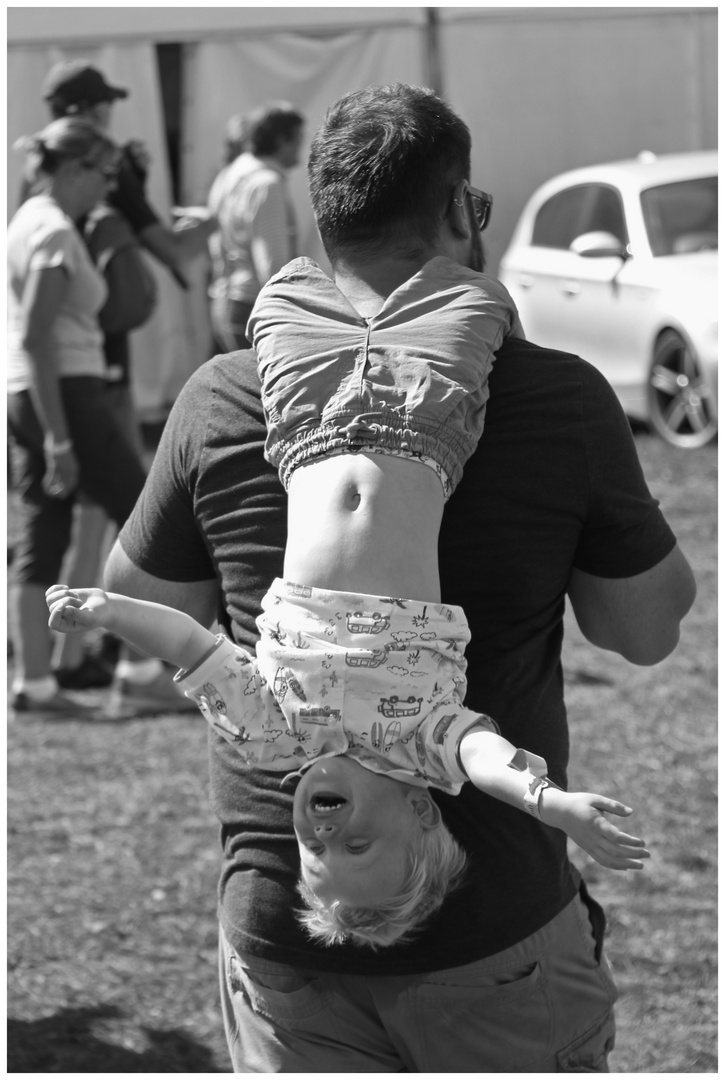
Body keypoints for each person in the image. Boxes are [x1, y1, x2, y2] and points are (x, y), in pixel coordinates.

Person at [103, 84, 696, 1071]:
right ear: (461, 208)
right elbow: (643, 630)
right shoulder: (552, 396)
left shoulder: (219, 398)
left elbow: (153, 605)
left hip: (282, 923)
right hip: (490, 928)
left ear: (321, 223)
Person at [46, 579, 649, 944]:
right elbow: (485, 758)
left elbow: (190, 646)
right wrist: (552, 804)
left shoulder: (270, 738)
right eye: (356, 848)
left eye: (315, 853)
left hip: (307, 450)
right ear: (420, 807)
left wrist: (113, 612)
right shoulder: (420, 746)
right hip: (412, 443)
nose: (326, 836)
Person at [38, 59, 213, 708]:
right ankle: (136, 671)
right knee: (138, 521)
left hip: (61, 368)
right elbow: (172, 254)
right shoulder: (109, 167)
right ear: (91, 108)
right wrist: (209, 226)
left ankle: (69, 654)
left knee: (77, 521)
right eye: (105, 103)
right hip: (96, 365)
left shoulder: (50, 175)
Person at [7, 117, 147, 714]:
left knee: (44, 532)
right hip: (63, 392)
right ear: (73, 169)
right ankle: (143, 671)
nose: (108, 187)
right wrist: (61, 437)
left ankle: (36, 684)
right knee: (147, 519)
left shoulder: (26, 222)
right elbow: (39, 336)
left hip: (32, 393)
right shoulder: (56, 230)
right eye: (104, 173)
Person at [206, 103, 305, 352]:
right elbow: (272, 266)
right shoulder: (266, 184)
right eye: (298, 141)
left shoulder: (231, 173)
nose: (300, 151)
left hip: (224, 300)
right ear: (282, 141)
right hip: (252, 306)